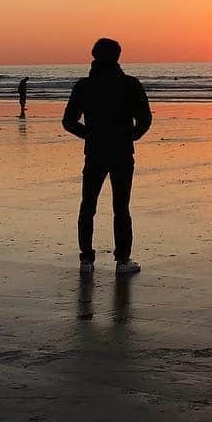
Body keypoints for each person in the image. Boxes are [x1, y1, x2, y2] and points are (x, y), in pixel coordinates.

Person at [62, 38, 152, 276]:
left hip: (95, 152)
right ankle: (122, 260)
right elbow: (145, 119)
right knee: (121, 207)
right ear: (118, 56)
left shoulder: (84, 86)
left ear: (94, 55)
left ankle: (86, 259)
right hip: (121, 152)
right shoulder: (130, 84)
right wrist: (131, 136)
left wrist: (90, 135)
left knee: (88, 205)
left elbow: (68, 122)